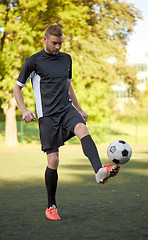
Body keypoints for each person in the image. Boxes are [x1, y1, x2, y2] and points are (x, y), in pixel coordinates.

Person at [13, 25, 120, 221]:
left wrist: (79, 108)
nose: (57, 47)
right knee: (53, 161)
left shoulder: (66, 59)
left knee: (82, 128)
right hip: (47, 116)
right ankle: (51, 206)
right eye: (54, 43)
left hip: (66, 109)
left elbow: (68, 84)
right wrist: (24, 110)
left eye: (60, 43)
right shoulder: (33, 62)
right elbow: (17, 89)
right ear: (44, 40)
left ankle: (98, 170)